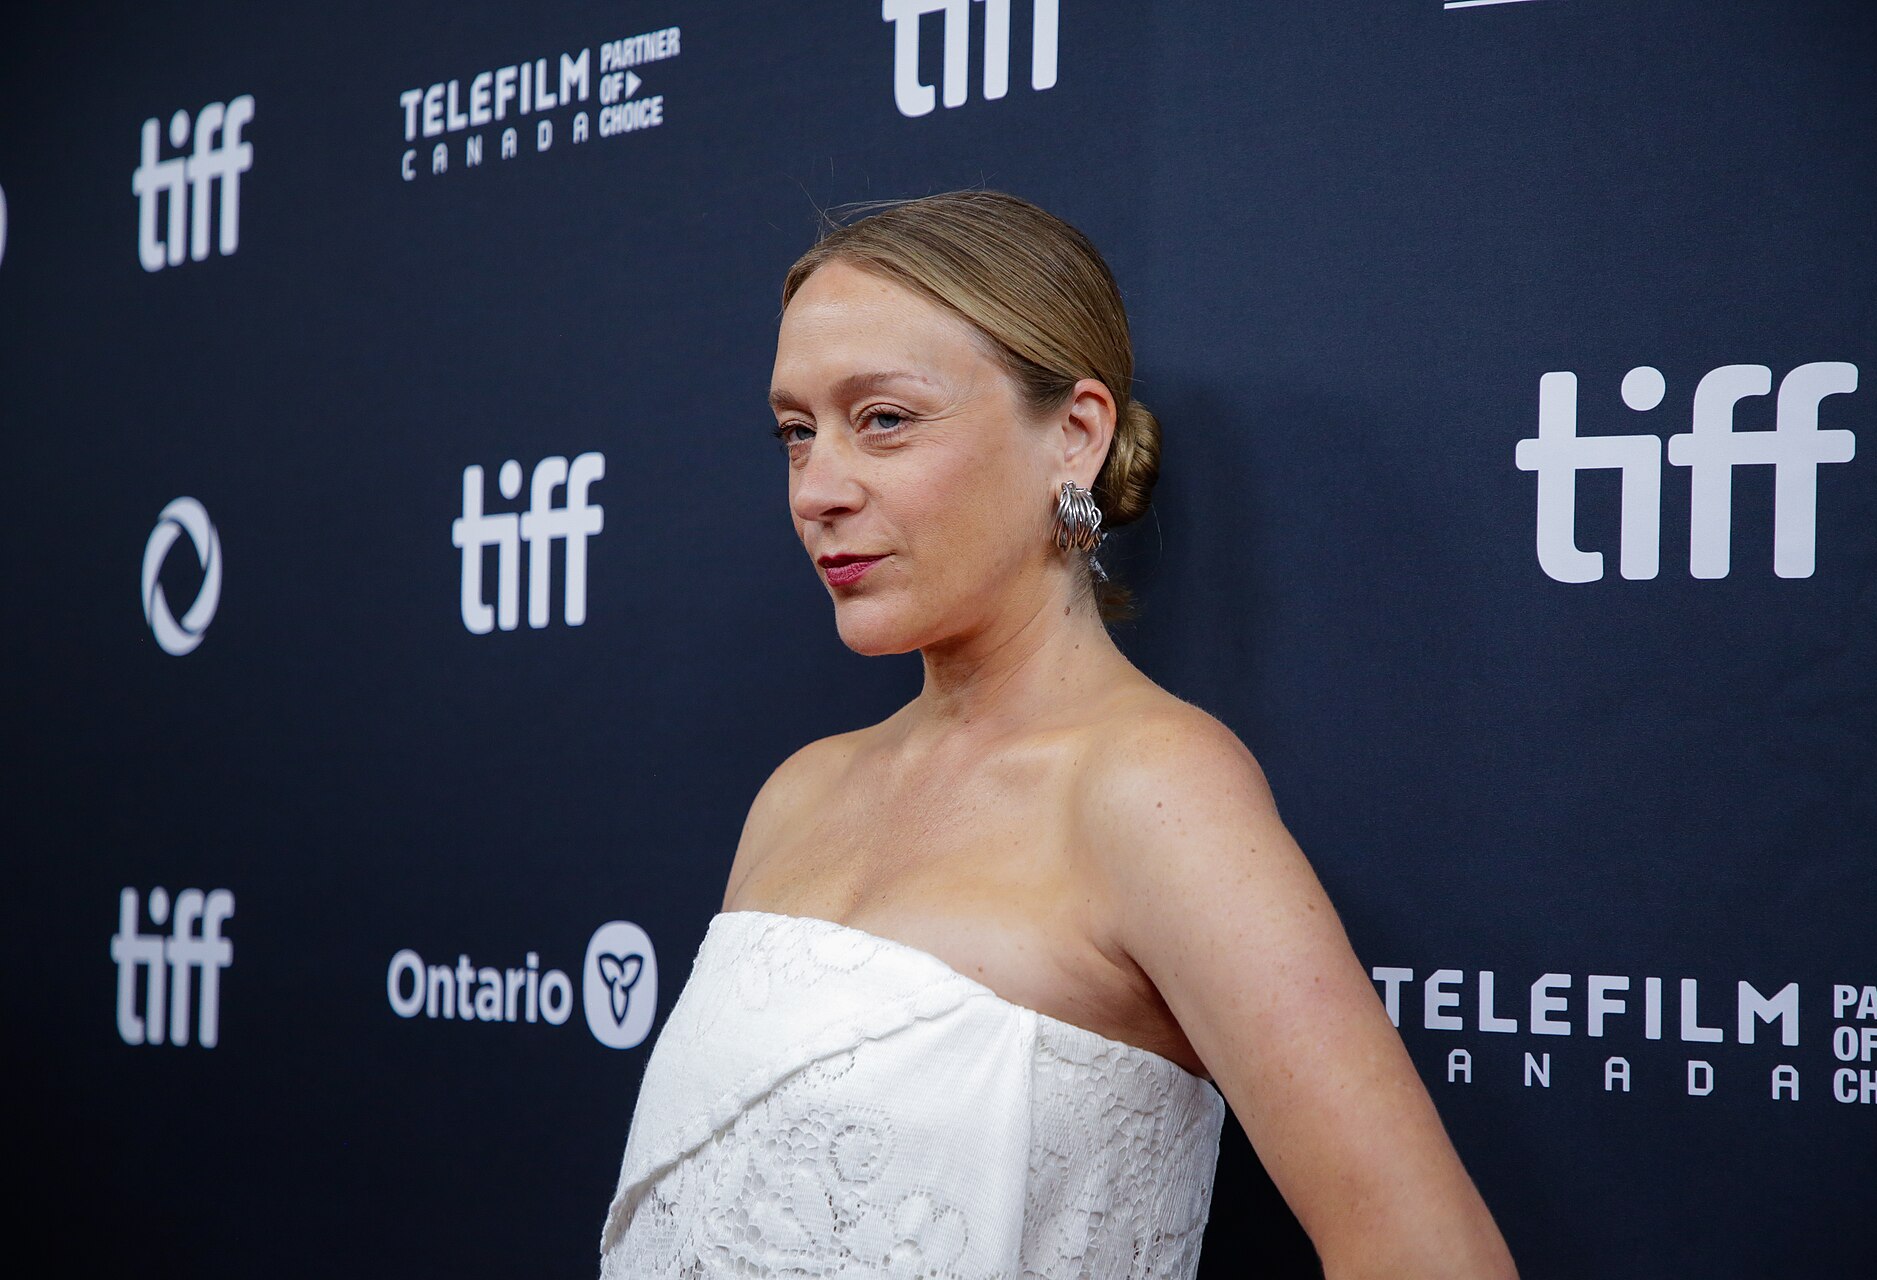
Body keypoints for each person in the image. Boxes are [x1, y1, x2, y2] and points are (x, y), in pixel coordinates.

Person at [600, 189, 1518, 1279]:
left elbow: (1426, 1251)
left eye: (883, 419)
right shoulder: (800, 791)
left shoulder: (1152, 789)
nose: (820, 489)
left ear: (1074, 436)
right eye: (797, 432)